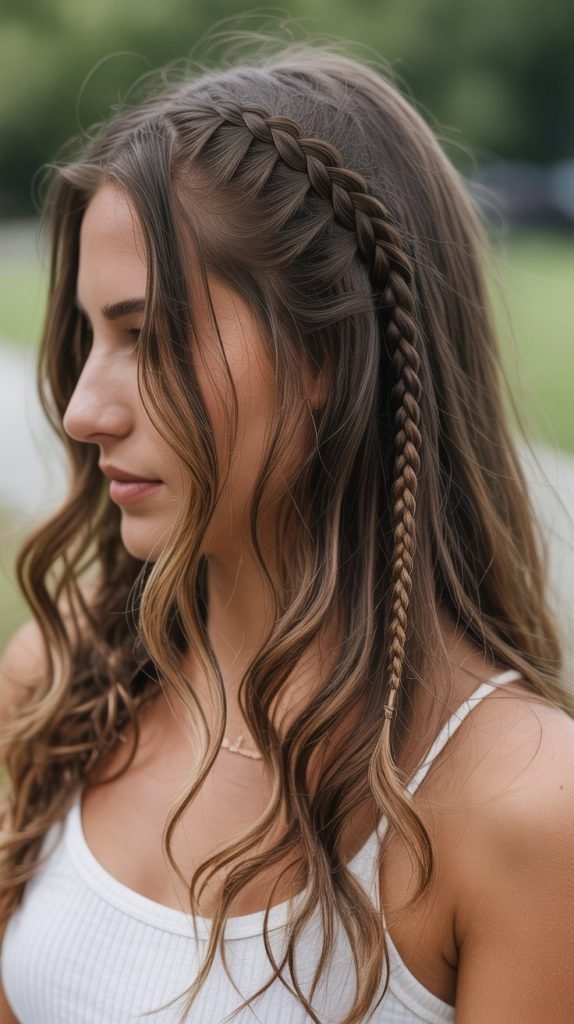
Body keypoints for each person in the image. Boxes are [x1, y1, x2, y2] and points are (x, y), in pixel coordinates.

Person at [0, 34, 573, 1024]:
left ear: (329, 355)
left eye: (150, 337)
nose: (85, 410)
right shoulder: (60, 684)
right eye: (92, 337)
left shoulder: (523, 807)